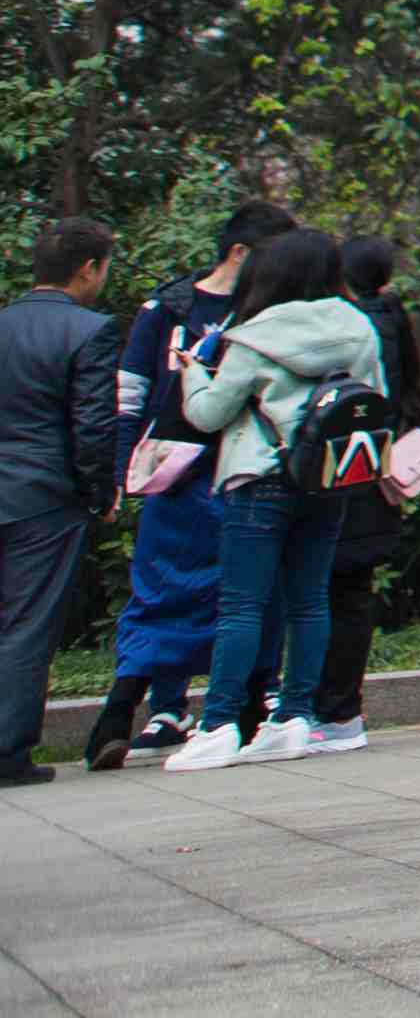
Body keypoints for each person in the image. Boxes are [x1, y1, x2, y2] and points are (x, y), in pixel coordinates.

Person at [165, 224, 383, 770]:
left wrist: (192, 376)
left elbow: (209, 414)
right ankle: (293, 718)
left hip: (260, 480)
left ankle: (216, 726)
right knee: (309, 601)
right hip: (327, 480)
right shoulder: (359, 329)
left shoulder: (255, 335)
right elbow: (377, 400)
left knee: (242, 604)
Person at [75, 198, 279, 769]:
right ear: (240, 251)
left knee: (224, 595)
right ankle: (141, 710)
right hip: (181, 478)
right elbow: (129, 393)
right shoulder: (167, 307)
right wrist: (117, 471)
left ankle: (185, 709)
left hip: (237, 476)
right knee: (178, 591)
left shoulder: (265, 310)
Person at [0, 215, 116, 790]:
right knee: (25, 625)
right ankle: (7, 753)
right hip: (43, 497)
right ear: (89, 269)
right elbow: (92, 427)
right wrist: (102, 494)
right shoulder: (90, 331)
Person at [302, 234, 420, 750]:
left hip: (346, 476)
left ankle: (326, 710)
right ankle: (340, 711)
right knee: (352, 594)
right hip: (376, 477)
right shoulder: (395, 320)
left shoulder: (355, 329)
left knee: (331, 592)